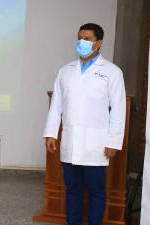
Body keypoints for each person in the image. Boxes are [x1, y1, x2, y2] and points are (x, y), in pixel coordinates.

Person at [43, 23, 126, 225]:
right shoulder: (65, 71)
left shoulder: (112, 72)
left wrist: (114, 142)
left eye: (87, 39)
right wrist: (51, 133)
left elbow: (119, 109)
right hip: (70, 142)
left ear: (98, 43)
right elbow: (56, 106)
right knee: (72, 190)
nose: (82, 42)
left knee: (97, 191)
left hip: (96, 145)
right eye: (80, 37)